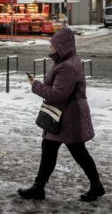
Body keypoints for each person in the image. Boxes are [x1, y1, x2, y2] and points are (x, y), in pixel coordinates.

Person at [17, 28, 105, 201]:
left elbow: (57, 94)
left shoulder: (67, 67)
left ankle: (96, 186)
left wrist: (36, 85)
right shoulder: (65, 62)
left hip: (69, 117)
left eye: (53, 46)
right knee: (49, 149)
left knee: (79, 152)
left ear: (61, 47)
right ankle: (38, 187)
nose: (50, 49)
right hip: (63, 115)